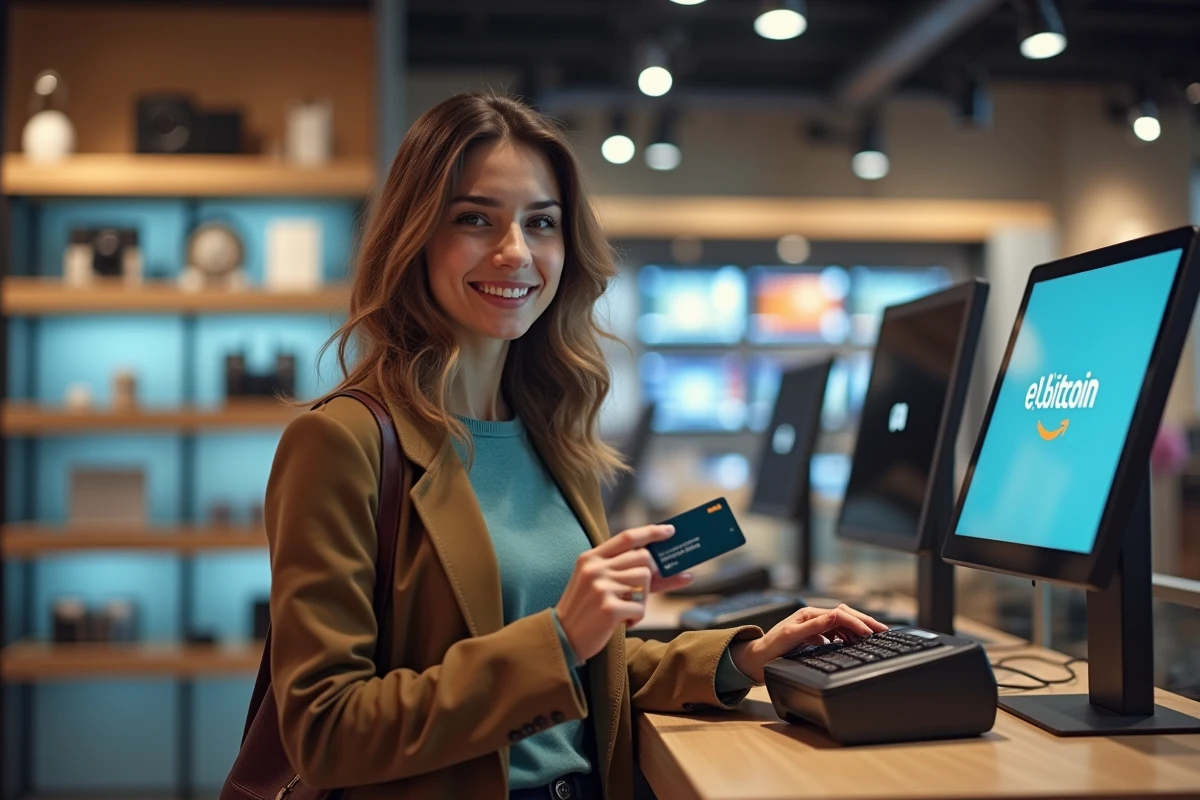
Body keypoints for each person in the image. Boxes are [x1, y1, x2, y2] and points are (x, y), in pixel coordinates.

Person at [264, 92, 887, 800]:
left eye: (541, 223)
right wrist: (560, 635)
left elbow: (588, 668)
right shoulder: (339, 443)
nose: (515, 252)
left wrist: (745, 655)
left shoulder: (551, 436)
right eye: (474, 219)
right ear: (415, 234)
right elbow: (324, 731)